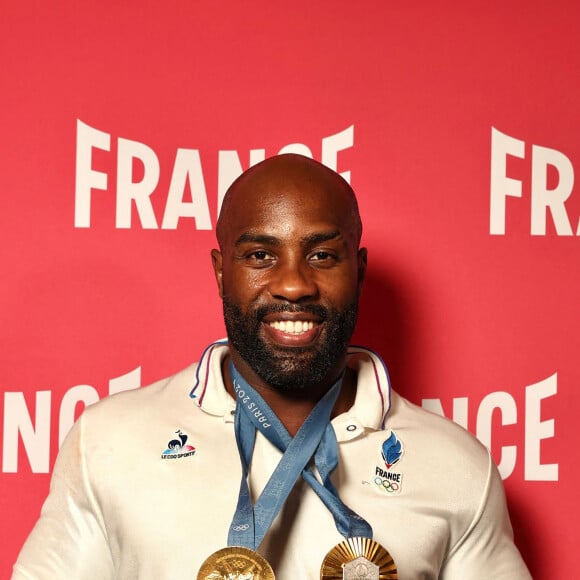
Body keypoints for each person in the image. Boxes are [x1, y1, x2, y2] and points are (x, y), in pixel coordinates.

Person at [12, 154, 531, 579]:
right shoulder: (109, 441)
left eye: (323, 256)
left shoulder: (458, 466)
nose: (293, 284)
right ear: (221, 273)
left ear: (360, 270)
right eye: (261, 256)